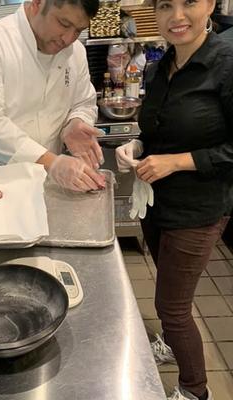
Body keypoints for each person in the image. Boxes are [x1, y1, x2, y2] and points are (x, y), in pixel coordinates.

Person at [115, 0, 233, 399]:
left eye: (189, 2)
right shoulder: (161, 65)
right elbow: (161, 129)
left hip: (198, 210)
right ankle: (169, 344)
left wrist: (177, 162)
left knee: (174, 308)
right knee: (169, 296)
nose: (176, 16)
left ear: (210, 5)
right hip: (157, 204)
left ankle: (195, 390)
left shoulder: (226, 62)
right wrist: (137, 144)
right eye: (165, 5)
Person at [0, 0, 105, 192]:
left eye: (78, 30)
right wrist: (52, 163)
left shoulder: (75, 52)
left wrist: (75, 122)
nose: (69, 39)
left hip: (50, 182)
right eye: (64, 24)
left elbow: (84, 102)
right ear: (37, 3)